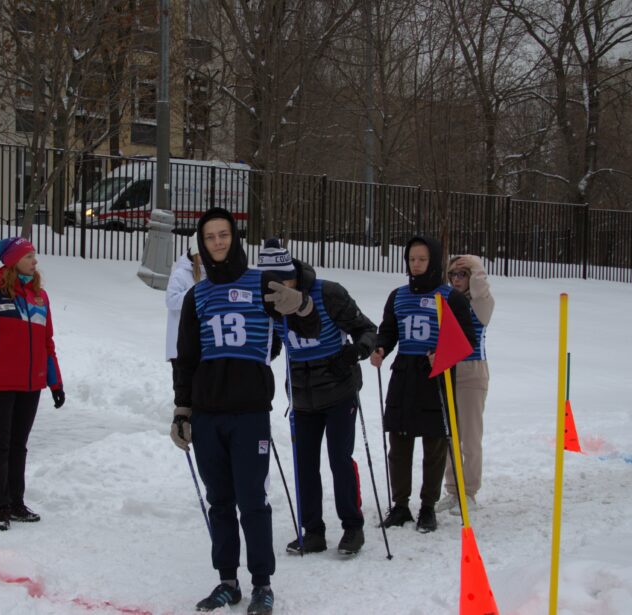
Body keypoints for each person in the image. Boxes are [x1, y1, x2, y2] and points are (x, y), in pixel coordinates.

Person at [170, 208, 319, 615]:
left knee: (252, 500)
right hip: (207, 414)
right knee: (219, 499)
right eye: (210, 237)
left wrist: (300, 304)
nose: (218, 242)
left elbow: (310, 328)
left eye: (224, 235)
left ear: (235, 238)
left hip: (250, 412)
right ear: (202, 245)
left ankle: (262, 584)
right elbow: (185, 359)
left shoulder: (261, 282)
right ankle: (227, 582)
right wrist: (182, 410)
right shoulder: (196, 295)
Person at [256, 239, 377, 556]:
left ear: (295, 271)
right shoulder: (268, 302)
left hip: (339, 391)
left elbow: (367, 329)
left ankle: (353, 527)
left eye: (286, 278)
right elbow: (270, 347)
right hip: (301, 397)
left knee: (339, 460)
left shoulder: (327, 293)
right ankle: (313, 532)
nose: (283, 286)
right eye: (274, 280)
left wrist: (355, 352)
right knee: (305, 465)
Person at [370, 235, 475, 534]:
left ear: (434, 262)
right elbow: (388, 330)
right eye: (412, 259)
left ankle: (427, 507)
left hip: (435, 376)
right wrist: (380, 348)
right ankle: (400, 505)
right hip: (404, 373)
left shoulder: (449, 297)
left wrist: (441, 354)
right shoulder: (398, 296)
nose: (415, 265)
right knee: (399, 444)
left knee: (434, 444)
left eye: (422, 259)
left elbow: (467, 339)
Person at [0, 237, 64, 531]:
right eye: (28, 256)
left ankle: (16, 502)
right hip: (0, 385)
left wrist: (54, 382)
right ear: (12, 261)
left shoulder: (39, 297)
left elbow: (47, 344)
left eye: (34, 256)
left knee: (19, 446)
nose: (35, 261)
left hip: (30, 386)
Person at [438, 254, 494, 515]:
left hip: (472, 371)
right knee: (450, 434)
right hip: (448, 369)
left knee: (470, 437)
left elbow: (481, 288)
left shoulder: (482, 302)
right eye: (453, 275)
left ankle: (468, 492)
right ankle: (452, 489)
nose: (457, 279)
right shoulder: (447, 300)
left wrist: (472, 264)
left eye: (463, 274)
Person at [165, 232, 203, 370]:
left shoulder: (210, 274)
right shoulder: (181, 273)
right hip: (180, 347)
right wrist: (195, 294)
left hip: (200, 347)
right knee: (184, 389)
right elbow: (170, 300)